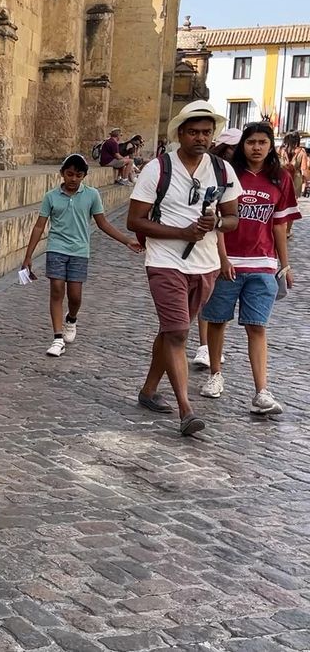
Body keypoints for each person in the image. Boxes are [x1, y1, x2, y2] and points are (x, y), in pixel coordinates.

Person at [126, 100, 240, 436]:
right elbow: (136, 220)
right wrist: (181, 233)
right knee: (178, 332)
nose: (201, 138)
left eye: (206, 132)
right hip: (164, 262)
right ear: (180, 133)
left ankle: (148, 391)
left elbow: (233, 218)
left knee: (170, 329)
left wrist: (217, 220)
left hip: (204, 265)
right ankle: (186, 410)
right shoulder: (158, 169)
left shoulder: (222, 171)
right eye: (194, 132)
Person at [199, 122, 300, 414]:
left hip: (263, 265)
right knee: (218, 320)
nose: (256, 147)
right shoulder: (229, 176)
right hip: (228, 262)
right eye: (251, 141)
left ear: (270, 146)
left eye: (262, 142)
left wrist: (285, 264)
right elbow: (215, 218)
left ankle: (262, 391)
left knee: (257, 326)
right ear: (243, 145)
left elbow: (279, 225)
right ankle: (215, 375)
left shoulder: (279, 179)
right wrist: (222, 259)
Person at [21, 154, 142, 357]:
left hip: (79, 251)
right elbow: (39, 226)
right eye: (69, 174)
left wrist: (127, 240)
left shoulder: (92, 195)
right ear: (62, 174)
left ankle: (72, 318)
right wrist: (28, 256)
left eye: (78, 175)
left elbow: (103, 223)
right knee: (57, 289)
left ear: (84, 176)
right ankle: (57, 338)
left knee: (75, 296)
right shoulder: (51, 196)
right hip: (56, 248)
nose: (73, 179)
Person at [193, 126, 244, 367]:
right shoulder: (215, 171)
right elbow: (216, 220)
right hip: (217, 242)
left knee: (219, 301)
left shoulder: (238, 172)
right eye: (234, 147)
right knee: (209, 298)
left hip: (242, 245)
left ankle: (210, 347)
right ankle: (205, 346)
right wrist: (223, 256)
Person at [278, 132, 307, 237]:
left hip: (280, 180)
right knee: (292, 205)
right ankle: (287, 231)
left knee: (278, 203)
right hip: (295, 182)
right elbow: (304, 170)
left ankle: (276, 225)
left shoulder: (280, 150)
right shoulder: (301, 152)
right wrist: (307, 182)